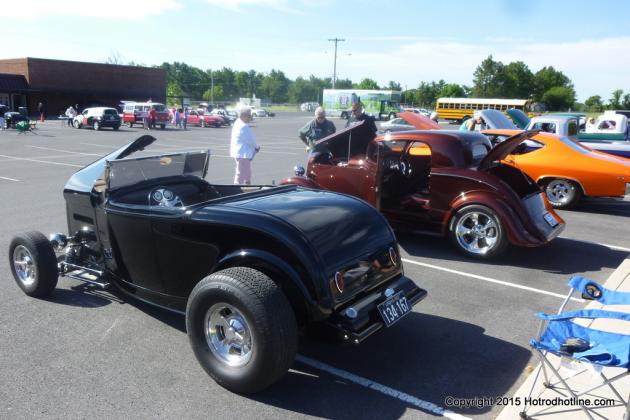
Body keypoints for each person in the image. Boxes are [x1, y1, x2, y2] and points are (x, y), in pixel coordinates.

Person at [230, 107, 260, 184]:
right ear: (243, 116)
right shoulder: (243, 126)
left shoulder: (237, 123)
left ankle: (247, 186)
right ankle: (237, 190)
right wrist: (257, 147)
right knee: (241, 173)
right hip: (243, 153)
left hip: (241, 153)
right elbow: (250, 140)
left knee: (246, 173)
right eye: (249, 116)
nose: (250, 118)